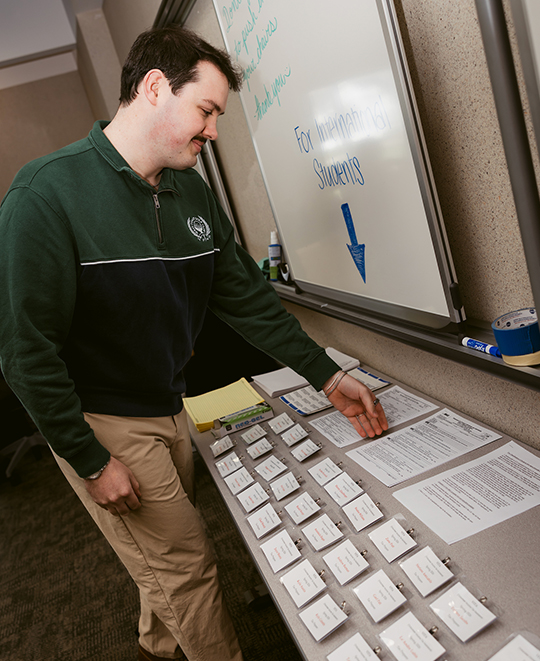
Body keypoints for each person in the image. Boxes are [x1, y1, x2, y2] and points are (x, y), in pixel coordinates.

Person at [0, 25, 388, 661]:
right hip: (102, 416)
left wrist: (326, 376)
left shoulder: (190, 191)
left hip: (170, 404)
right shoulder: (45, 195)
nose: (213, 132)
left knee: (161, 559)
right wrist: (90, 460)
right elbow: (23, 352)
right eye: (206, 110)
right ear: (155, 88)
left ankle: (157, 646)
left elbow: (245, 298)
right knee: (190, 568)